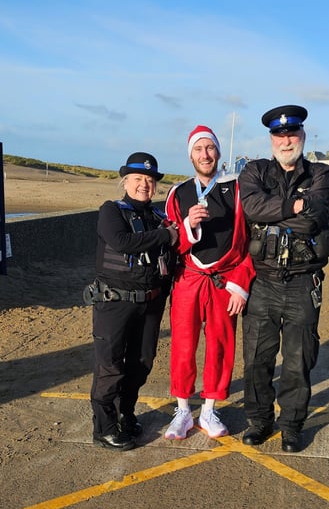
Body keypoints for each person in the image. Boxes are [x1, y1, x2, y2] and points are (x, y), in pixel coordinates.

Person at [238, 105, 329, 453]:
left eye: (292, 134)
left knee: (298, 359)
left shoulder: (323, 174)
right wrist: (294, 205)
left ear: (303, 136)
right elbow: (251, 208)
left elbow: (313, 221)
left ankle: (292, 425)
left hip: (302, 281)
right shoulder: (254, 171)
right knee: (257, 359)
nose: (286, 140)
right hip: (261, 281)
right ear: (271, 139)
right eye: (280, 135)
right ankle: (259, 420)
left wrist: (274, 212)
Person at [164, 125, 255, 440]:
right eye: (198, 149)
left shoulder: (239, 189)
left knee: (220, 345)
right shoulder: (178, 193)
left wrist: (240, 284)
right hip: (189, 277)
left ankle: (209, 410)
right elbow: (171, 242)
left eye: (210, 148)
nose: (205, 155)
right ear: (190, 155)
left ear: (218, 152)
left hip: (223, 280)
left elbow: (249, 243)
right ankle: (183, 410)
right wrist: (188, 224)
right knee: (183, 345)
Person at [86, 152, 178, 450]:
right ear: (125, 181)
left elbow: (172, 256)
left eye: (150, 180)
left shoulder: (159, 217)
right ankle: (104, 427)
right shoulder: (111, 211)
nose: (144, 185)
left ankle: (127, 413)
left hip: (150, 304)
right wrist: (166, 235)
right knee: (110, 365)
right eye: (138, 179)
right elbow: (122, 242)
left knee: (141, 363)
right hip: (115, 303)